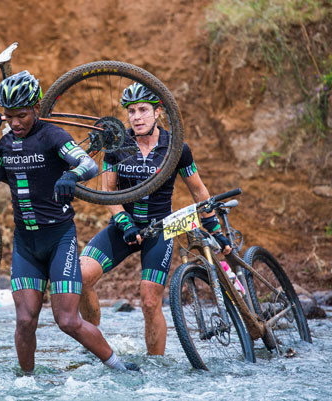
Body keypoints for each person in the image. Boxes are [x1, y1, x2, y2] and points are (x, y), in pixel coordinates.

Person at [0, 70, 138, 373]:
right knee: (25, 322)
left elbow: (87, 164)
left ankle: (119, 368)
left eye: (21, 115)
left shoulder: (52, 136)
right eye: (9, 117)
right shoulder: (6, 144)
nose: (16, 123)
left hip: (59, 239)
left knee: (67, 321)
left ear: (36, 107)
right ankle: (27, 384)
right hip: (26, 244)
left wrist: (70, 175)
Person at [79, 82, 231, 355]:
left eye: (142, 110)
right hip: (124, 226)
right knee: (80, 276)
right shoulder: (117, 145)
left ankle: (156, 366)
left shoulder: (176, 147)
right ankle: (92, 342)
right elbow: (108, 191)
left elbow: (198, 190)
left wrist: (213, 227)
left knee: (150, 301)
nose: (136, 117)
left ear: (158, 112)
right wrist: (124, 223)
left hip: (160, 229)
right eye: (131, 111)